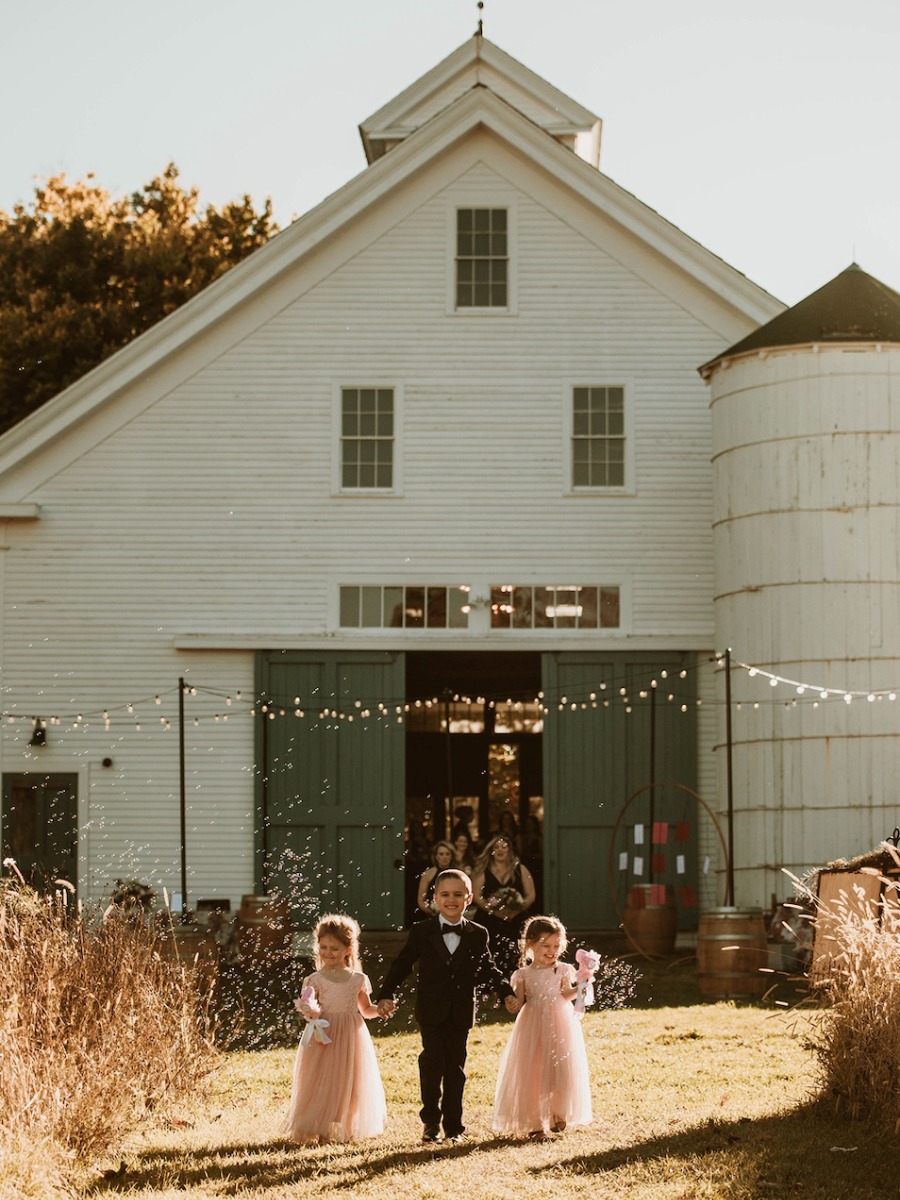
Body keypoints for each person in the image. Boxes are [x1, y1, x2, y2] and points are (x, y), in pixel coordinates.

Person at [376, 868, 520, 1144]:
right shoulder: (422, 931)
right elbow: (402, 964)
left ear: (468, 898)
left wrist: (506, 992)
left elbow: (488, 968)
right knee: (431, 1063)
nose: (451, 899)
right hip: (431, 1010)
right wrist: (386, 994)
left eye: (458, 894)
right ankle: (430, 1122)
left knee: (455, 1068)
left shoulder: (478, 934)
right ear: (435, 898)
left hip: (460, 1011)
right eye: (445, 894)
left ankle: (454, 1126)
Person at [285, 913, 387, 1144]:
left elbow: (366, 1009)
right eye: (323, 947)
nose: (328, 953)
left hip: (352, 1035)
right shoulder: (315, 979)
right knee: (323, 1081)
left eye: (334, 948)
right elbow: (309, 1005)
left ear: (348, 949)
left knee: (351, 1081)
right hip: (325, 1036)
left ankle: (348, 1127)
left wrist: (378, 1010)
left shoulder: (357, 979)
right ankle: (322, 1130)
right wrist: (309, 1010)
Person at [492, 915, 592, 1138]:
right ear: (530, 945)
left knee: (560, 1066)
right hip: (533, 1022)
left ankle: (558, 1112)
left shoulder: (563, 969)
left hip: (560, 1022)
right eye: (545, 946)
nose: (551, 951)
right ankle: (534, 1122)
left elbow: (564, 994)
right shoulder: (523, 974)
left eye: (556, 946)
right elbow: (519, 1002)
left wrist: (580, 988)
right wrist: (511, 1003)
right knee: (533, 1069)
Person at [470, 835, 536, 976]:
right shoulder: (483, 870)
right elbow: (476, 895)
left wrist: (518, 909)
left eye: (504, 847)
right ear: (491, 851)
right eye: (496, 847)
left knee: (516, 950)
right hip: (489, 917)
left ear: (510, 850)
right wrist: (494, 911)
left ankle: (516, 979)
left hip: (515, 918)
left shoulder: (521, 869)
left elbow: (530, 895)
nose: (500, 850)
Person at [416, 841, 456, 916]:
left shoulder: (458, 873)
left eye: (447, 854)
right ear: (436, 856)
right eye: (441, 854)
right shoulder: (428, 874)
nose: (444, 857)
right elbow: (421, 900)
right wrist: (432, 911)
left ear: (451, 856)